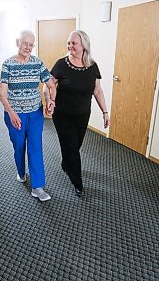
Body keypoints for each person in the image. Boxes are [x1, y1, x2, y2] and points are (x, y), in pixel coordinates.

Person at [46, 30, 110, 197]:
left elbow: (97, 90)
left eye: (74, 43)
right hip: (62, 115)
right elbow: (49, 85)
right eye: (69, 43)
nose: (70, 46)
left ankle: (66, 164)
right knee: (73, 148)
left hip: (82, 115)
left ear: (84, 45)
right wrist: (49, 100)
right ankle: (78, 183)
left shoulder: (92, 66)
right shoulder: (61, 64)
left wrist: (105, 111)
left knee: (75, 145)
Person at [0, 30, 56, 202]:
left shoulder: (38, 63)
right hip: (15, 114)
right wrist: (11, 113)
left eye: (31, 45)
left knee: (35, 147)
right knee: (18, 146)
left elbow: (50, 84)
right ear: (18, 42)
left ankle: (37, 187)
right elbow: (2, 94)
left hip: (35, 114)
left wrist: (49, 99)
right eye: (26, 44)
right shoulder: (8, 64)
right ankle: (20, 171)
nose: (28, 48)